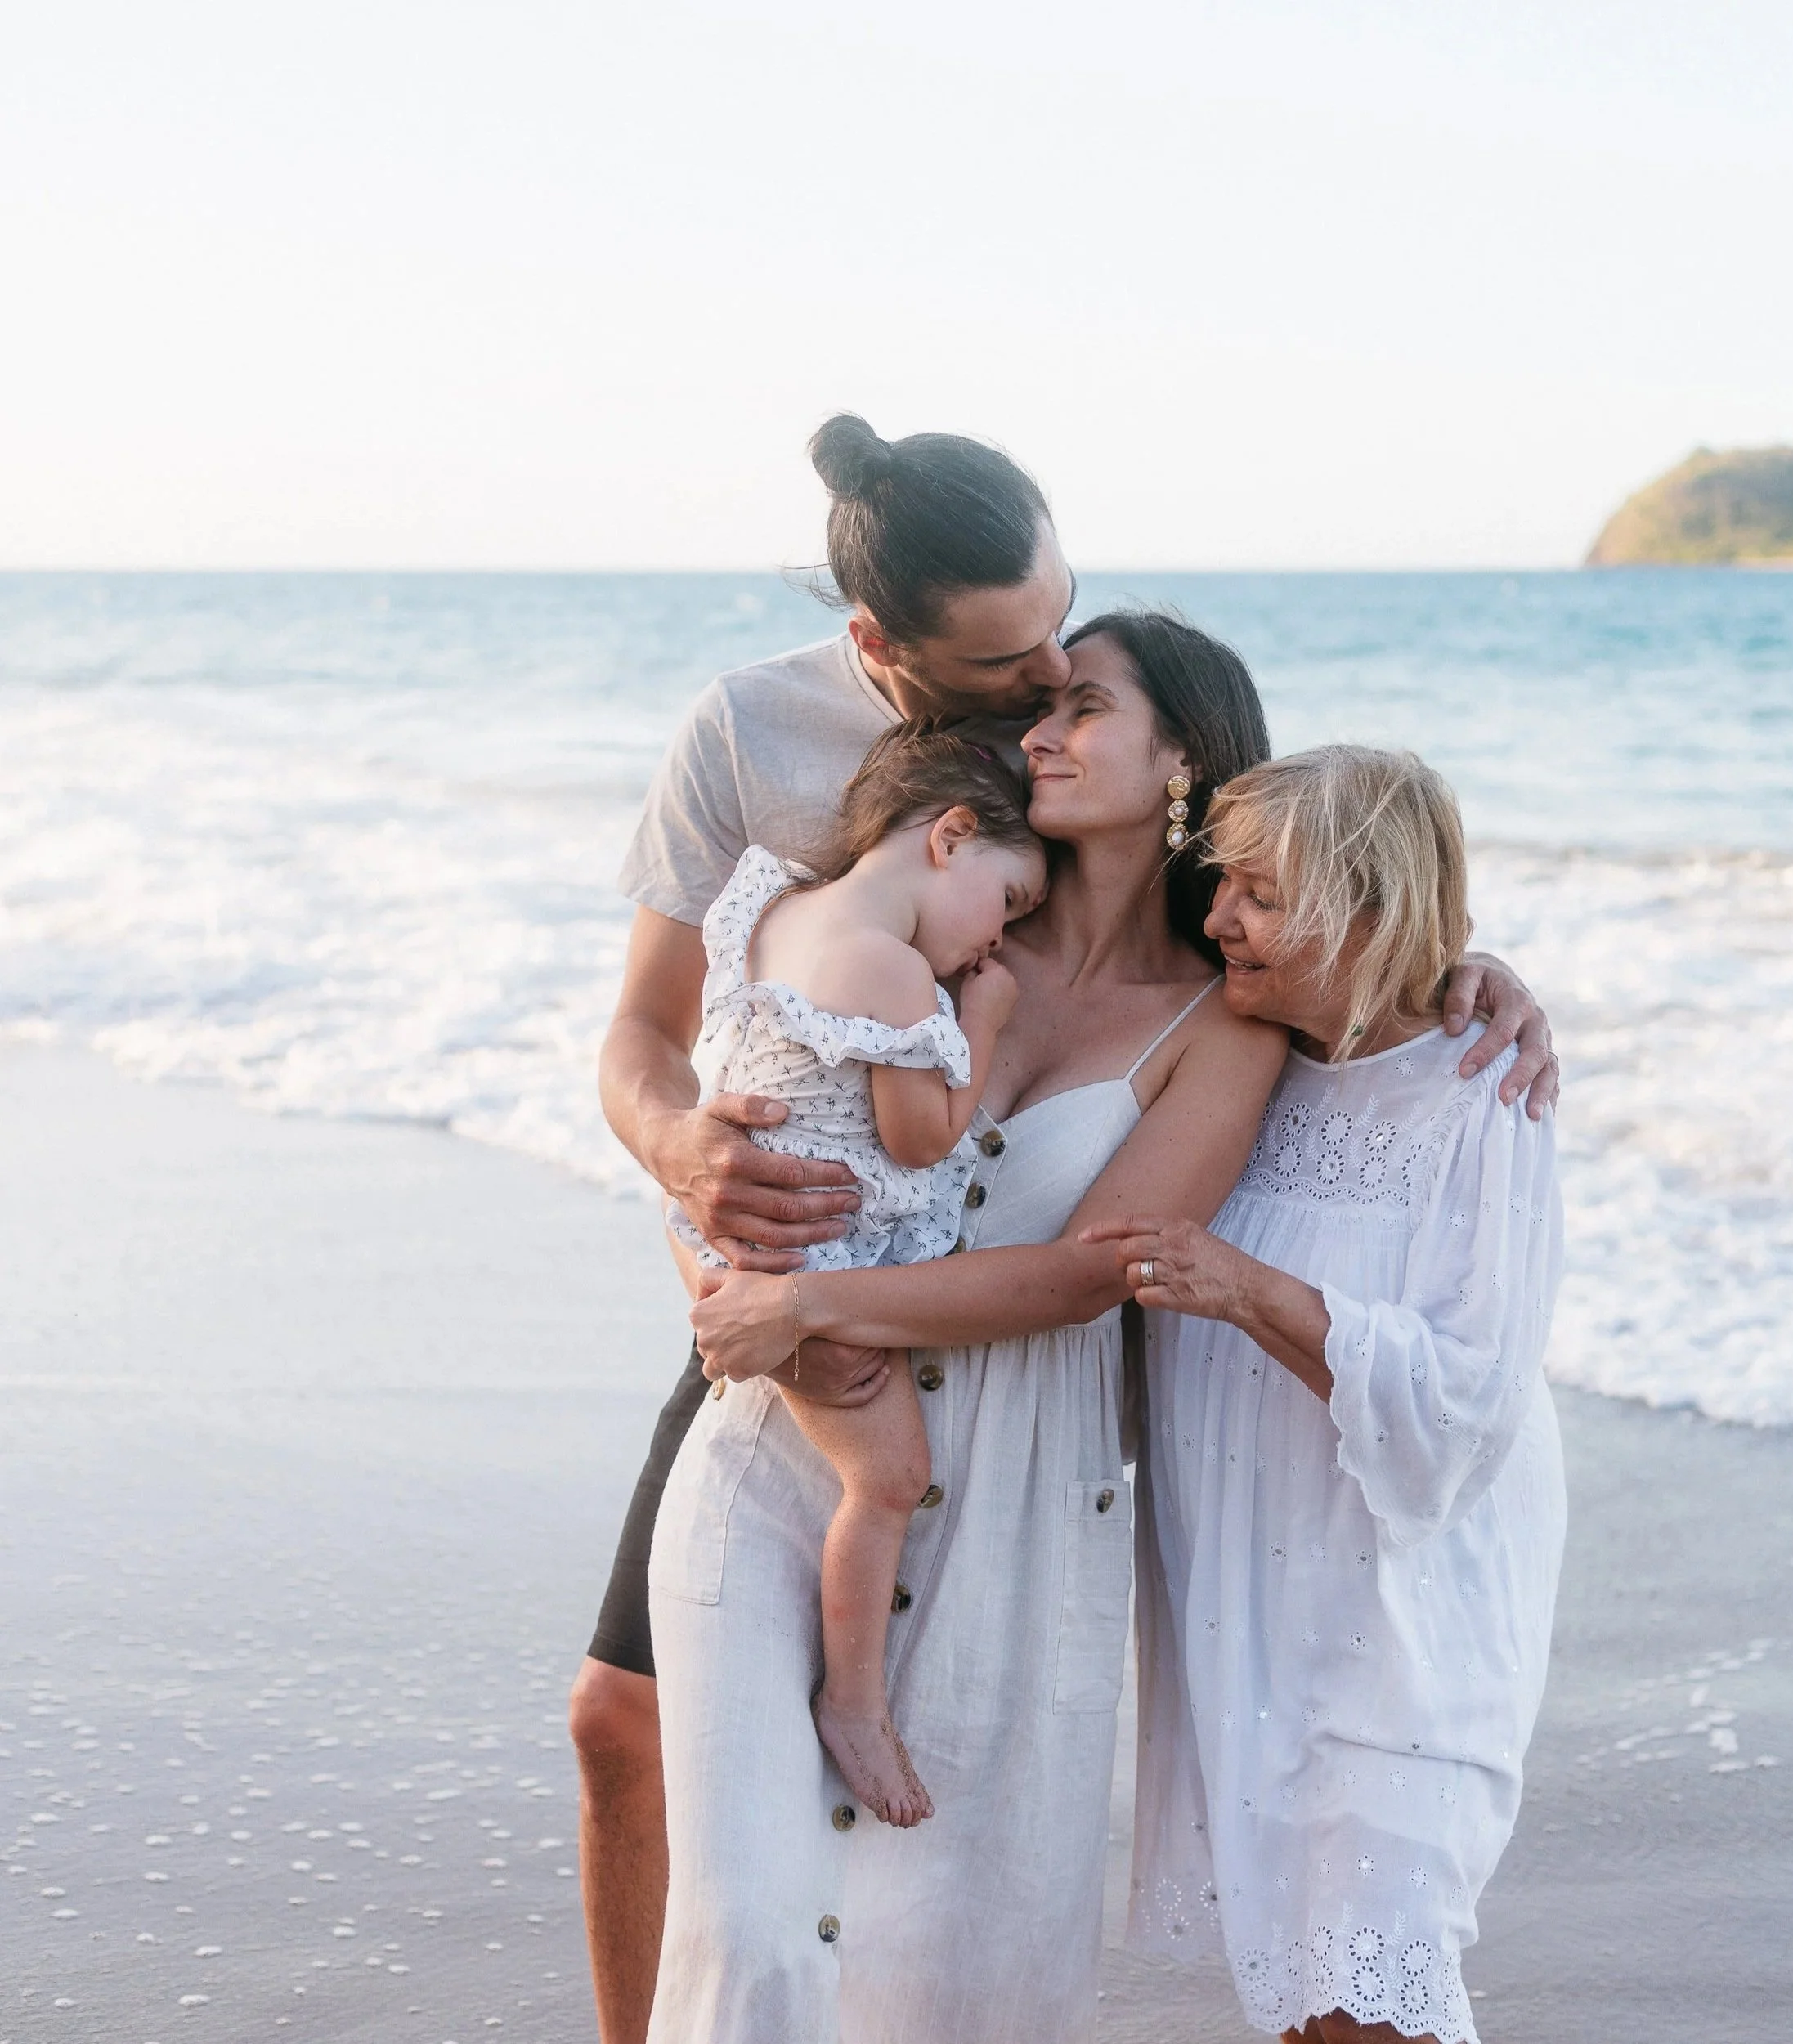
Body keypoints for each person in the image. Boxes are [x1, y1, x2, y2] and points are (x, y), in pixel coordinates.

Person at [571, 411, 1558, 2044]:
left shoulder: (1210, 979)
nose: (1042, 694)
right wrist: (687, 1163)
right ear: (886, 649)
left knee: (946, 1964)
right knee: (705, 1862)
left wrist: (1466, 972)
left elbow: (1330, 883)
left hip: (991, 1429)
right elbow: (662, 1032)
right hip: (791, 1371)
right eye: (1019, 672)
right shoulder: (775, 750)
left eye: (1071, 663)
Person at [1086, 746, 1567, 2044]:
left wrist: (1243, 1289)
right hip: (1255, 1611)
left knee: (1378, 2004)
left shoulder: (1485, 1095)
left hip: (1411, 1625)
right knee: (1315, 2010)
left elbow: (1466, 1404)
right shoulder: (1252, 1060)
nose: (1221, 916)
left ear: (1372, 910)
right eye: (1222, 883)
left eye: (1259, 891)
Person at [664, 724, 1047, 1827]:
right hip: (809, 1259)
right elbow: (921, 1136)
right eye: (1009, 904)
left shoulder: (776, 908)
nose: (994, 943)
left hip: (722, 1230)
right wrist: (977, 1024)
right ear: (952, 837)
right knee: (888, 1480)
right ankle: (857, 1702)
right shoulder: (895, 973)